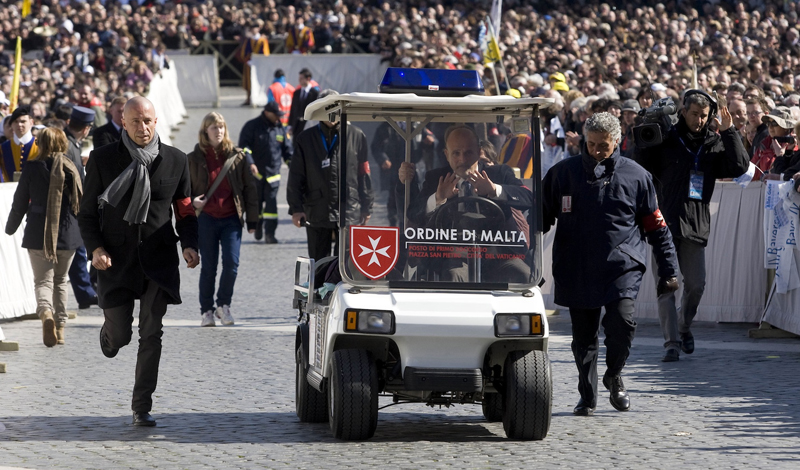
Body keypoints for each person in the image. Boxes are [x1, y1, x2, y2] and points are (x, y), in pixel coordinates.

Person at [543, 112, 679, 416]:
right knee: (583, 337)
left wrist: (669, 270)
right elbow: (538, 218)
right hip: (576, 266)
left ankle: (614, 374)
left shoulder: (636, 176)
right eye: (591, 145)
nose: (596, 151)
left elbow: (657, 229)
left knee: (622, 323)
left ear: (616, 141)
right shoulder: (562, 174)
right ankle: (587, 394)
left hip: (621, 266)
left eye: (603, 146)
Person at [78, 96, 199, 427]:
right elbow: (86, 213)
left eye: (148, 121)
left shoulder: (175, 160)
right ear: (123, 123)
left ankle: (141, 405)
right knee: (122, 337)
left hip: (157, 261)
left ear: (156, 121)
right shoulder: (103, 160)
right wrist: (96, 248)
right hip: (114, 262)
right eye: (135, 122)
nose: (143, 128)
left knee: (152, 333)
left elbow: (185, 210)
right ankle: (110, 336)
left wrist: (190, 245)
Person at [635, 90, 749, 362]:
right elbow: (639, 163)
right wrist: (644, 126)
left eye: (704, 115)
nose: (698, 120)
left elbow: (738, 166)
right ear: (683, 112)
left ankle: (684, 327)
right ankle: (671, 343)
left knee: (696, 285)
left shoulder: (713, 142)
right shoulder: (666, 137)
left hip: (696, 224)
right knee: (667, 284)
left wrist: (729, 130)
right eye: (694, 114)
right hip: (663, 223)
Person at [397, 125, 533, 283]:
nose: (462, 159)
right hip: (452, 256)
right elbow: (413, 214)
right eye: (456, 153)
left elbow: (527, 198)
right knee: (453, 277)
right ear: (447, 155)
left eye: (468, 152)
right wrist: (437, 198)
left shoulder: (498, 173)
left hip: (498, 255)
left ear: (478, 151)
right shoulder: (437, 178)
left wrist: (494, 190)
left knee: (523, 275)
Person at [5, 127, 84, 347]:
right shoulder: (72, 167)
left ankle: (46, 314)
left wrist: (10, 227)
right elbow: (83, 200)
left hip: (39, 232)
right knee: (60, 281)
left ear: (41, 144)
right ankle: (60, 329)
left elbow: (20, 201)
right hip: (68, 232)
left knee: (43, 281)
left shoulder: (32, 167)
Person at [188, 112, 258, 327]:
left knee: (232, 264)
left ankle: (223, 305)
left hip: (231, 219)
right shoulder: (194, 158)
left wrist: (253, 219)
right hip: (206, 219)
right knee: (209, 267)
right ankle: (206, 310)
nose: (218, 131)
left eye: (221, 127)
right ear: (205, 131)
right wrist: (192, 201)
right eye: (213, 127)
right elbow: (183, 191)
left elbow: (249, 189)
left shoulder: (237, 156)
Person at [287, 89, 373, 261]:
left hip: (349, 209)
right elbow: (296, 177)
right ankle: (319, 289)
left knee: (346, 265)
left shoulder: (357, 136)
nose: (330, 114)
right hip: (317, 209)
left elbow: (363, 174)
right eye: (326, 108)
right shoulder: (305, 139)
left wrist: (367, 206)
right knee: (320, 264)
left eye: (333, 108)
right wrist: (296, 209)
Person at [238, 101, 293, 243]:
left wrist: (293, 165)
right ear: (267, 113)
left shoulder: (280, 128)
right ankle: (257, 227)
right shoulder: (252, 126)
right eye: (276, 115)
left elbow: (287, 151)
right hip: (256, 175)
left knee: (271, 206)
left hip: (273, 175)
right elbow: (244, 147)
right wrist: (250, 162)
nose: (278, 118)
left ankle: (270, 234)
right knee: (256, 205)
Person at [63, 106, 99, 310]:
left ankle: (85, 293)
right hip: (70, 205)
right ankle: (84, 293)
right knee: (77, 249)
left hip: (74, 205)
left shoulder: (71, 144)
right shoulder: (69, 145)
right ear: (86, 129)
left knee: (78, 249)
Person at [751, 107, 796, 178]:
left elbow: (788, 175)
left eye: (775, 123)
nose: (770, 127)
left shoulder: (794, 146)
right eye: (769, 123)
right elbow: (752, 172)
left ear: (786, 127)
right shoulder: (764, 144)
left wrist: (783, 155)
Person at [0, 106, 39, 182]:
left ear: (31, 123)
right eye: (15, 122)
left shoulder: (40, 146)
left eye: (23, 121)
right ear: (11, 125)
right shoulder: (3, 148)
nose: (19, 125)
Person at [235, 23, 270, 107]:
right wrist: (248, 59)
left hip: (260, 65)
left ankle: (262, 98)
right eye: (252, 28)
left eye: (256, 28)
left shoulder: (262, 40)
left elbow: (265, 53)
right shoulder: (248, 40)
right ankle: (248, 98)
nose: (254, 30)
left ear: (258, 29)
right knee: (248, 81)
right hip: (250, 63)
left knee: (261, 81)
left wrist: (260, 60)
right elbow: (244, 52)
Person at [288, 68, 320, 135]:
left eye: (301, 78)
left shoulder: (315, 93)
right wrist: (290, 125)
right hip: (296, 125)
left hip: (308, 125)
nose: (299, 80)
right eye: (299, 78)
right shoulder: (297, 92)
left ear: (308, 79)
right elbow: (293, 109)